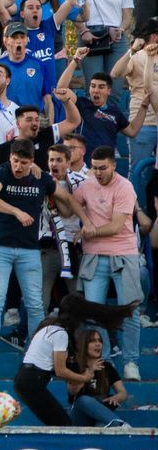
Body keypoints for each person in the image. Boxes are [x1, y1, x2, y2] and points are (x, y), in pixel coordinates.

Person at [0, 138, 76, 357]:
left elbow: (66, 197)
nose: (18, 167)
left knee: (35, 305)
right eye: (15, 161)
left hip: (29, 249)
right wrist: (15, 211)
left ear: (31, 160)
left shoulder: (40, 176)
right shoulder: (2, 173)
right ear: (10, 158)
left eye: (23, 162)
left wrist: (85, 219)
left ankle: (35, 354)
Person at [13, 294, 136, 426]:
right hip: (33, 380)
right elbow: (61, 371)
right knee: (62, 424)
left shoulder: (48, 328)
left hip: (23, 379)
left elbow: (55, 368)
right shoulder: (60, 334)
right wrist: (84, 377)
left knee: (60, 423)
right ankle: (119, 425)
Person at [74, 146, 143, 379]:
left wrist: (89, 231)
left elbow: (115, 226)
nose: (98, 172)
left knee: (130, 309)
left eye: (103, 168)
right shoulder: (86, 183)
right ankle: (101, 362)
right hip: (94, 255)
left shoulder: (125, 186)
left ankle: (131, 361)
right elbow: (70, 205)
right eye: (94, 168)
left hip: (123, 253)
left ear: (114, 165)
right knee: (94, 312)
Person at [67, 330, 128, 426]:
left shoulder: (107, 367)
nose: (98, 344)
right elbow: (72, 391)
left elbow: (123, 393)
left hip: (100, 415)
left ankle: (117, 425)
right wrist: (89, 373)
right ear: (84, 344)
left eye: (100, 341)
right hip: (80, 417)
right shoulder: (75, 366)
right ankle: (119, 424)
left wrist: (116, 397)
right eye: (92, 341)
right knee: (84, 400)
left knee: (104, 424)